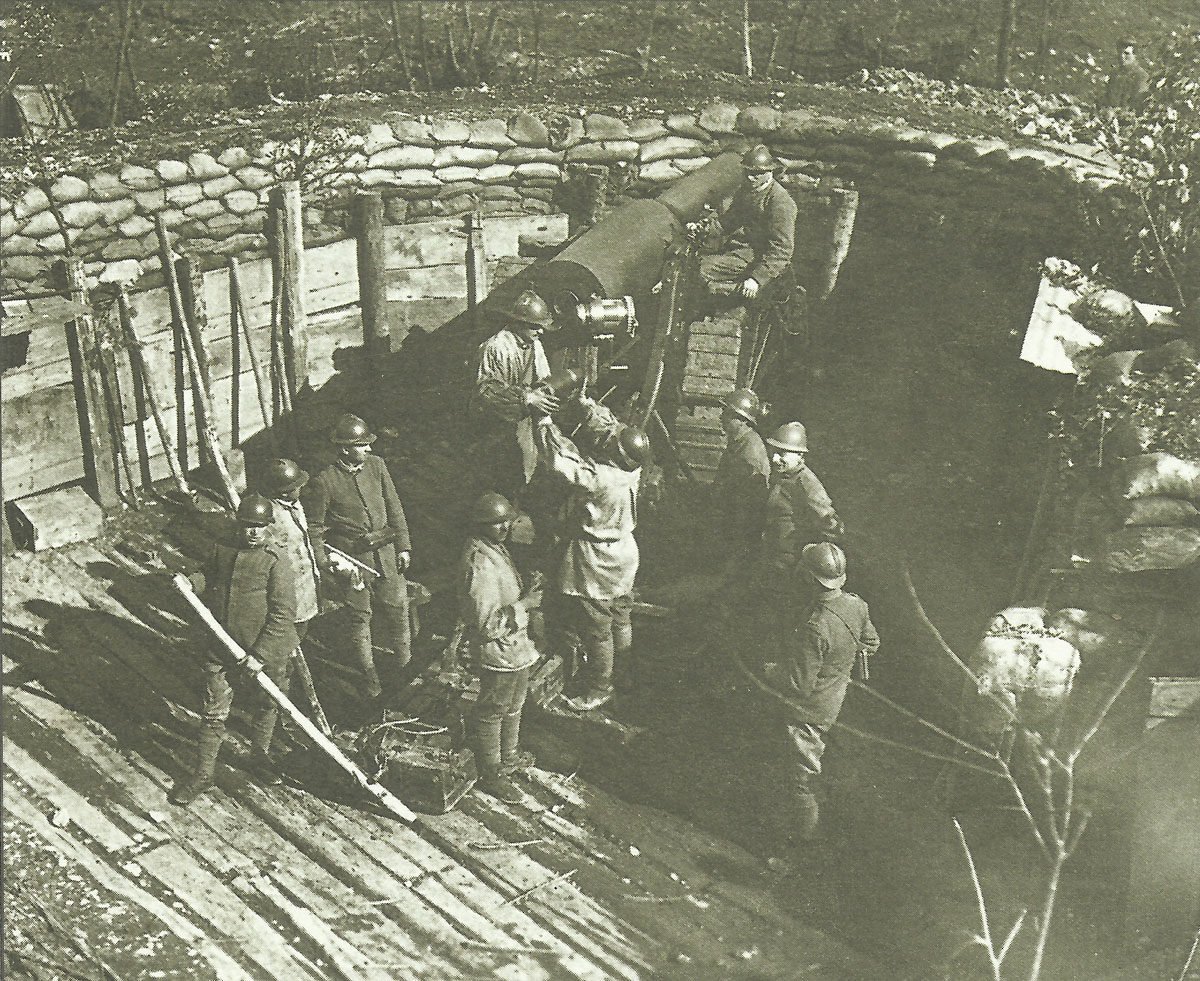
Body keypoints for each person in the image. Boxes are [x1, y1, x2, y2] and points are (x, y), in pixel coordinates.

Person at [170, 494, 298, 806]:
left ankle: (259, 756)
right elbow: (209, 575)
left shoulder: (276, 561)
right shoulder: (223, 548)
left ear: (268, 526)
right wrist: (191, 581)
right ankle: (203, 773)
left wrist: (261, 655)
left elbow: (284, 614)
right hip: (221, 646)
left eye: (259, 526)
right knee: (213, 711)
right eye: (247, 526)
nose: (253, 532)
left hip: (266, 650)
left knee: (267, 704)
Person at [535, 398, 652, 710]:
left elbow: (562, 462)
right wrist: (590, 407)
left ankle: (600, 687)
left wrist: (544, 423)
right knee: (620, 616)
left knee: (597, 629)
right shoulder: (634, 471)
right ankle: (623, 673)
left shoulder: (600, 477)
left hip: (597, 559)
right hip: (624, 553)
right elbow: (619, 435)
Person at [763, 542, 880, 852]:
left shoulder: (816, 626)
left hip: (809, 712)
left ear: (808, 578)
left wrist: (771, 670)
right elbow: (871, 642)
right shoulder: (856, 606)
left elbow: (798, 684)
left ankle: (802, 846)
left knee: (801, 781)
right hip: (835, 700)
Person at [303, 413, 411, 716]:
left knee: (397, 607)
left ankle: (406, 668)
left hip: (387, 555)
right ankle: (370, 677)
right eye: (361, 445)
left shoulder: (377, 466)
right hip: (353, 562)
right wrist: (325, 563)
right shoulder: (324, 481)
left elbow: (395, 507)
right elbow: (314, 527)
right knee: (359, 617)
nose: (367, 449)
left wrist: (403, 546)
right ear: (345, 449)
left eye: (367, 444)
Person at [459, 492, 544, 805]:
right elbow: (487, 625)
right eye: (496, 524)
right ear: (481, 526)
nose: (504, 528)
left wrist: (526, 592)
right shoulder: (479, 564)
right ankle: (492, 770)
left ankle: (508, 756)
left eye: (506, 521)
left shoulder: (496, 549)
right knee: (493, 710)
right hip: (499, 651)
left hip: (516, 647)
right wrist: (526, 605)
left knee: (514, 704)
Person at [472, 289, 561, 500]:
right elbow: (485, 391)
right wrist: (526, 397)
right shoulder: (495, 347)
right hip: (494, 425)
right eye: (534, 326)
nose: (540, 332)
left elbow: (543, 379)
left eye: (541, 327)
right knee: (497, 478)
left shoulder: (534, 345)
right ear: (517, 323)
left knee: (525, 471)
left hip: (523, 423)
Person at [699, 145, 798, 303]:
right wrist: (703, 229)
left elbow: (782, 250)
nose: (750, 178)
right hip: (740, 251)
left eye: (756, 174)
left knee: (700, 270)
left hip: (759, 258)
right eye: (747, 172)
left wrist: (757, 278)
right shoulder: (747, 191)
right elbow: (729, 221)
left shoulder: (780, 202)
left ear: (769, 172)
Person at [761, 421, 844, 588]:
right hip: (773, 557)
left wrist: (809, 560)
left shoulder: (808, 485)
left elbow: (832, 528)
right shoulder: (782, 475)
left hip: (791, 565)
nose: (774, 458)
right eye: (773, 452)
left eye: (782, 453)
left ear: (800, 455)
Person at [714, 387, 770, 566]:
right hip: (731, 518)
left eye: (727, 414)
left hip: (741, 529)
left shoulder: (750, 452)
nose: (721, 418)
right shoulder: (739, 442)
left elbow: (750, 506)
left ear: (740, 420)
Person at [1102, 40, 1149, 114]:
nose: (1122, 57)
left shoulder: (1141, 76)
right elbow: (1107, 99)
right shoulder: (1114, 74)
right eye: (1119, 53)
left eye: (1127, 53)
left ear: (1135, 55)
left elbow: (1139, 104)